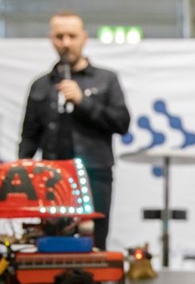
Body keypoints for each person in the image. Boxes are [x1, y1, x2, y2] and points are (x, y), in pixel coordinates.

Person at [19, 10, 130, 250]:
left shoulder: (106, 79)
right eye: (60, 36)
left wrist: (83, 102)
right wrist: (21, 177)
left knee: (94, 242)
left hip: (94, 175)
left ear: (84, 38)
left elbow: (122, 123)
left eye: (71, 36)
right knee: (52, 241)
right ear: (51, 39)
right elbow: (28, 137)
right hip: (52, 178)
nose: (66, 43)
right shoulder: (40, 85)